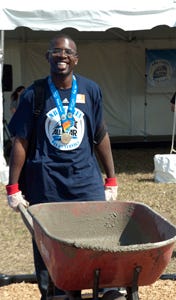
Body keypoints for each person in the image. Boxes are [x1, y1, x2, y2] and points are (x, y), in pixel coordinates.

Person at [5, 34, 118, 300]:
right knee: (48, 243)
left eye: (68, 52)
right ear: (47, 57)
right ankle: (54, 293)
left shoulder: (91, 90)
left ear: (76, 59)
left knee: (97, 236)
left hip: (84, 179)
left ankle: (104, 287)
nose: (62, 56)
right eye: (56, 52)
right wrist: (13, 186)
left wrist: (111, 178)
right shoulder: (34, 94)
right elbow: (20, 140)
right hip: (46, 181)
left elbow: (100, 134)